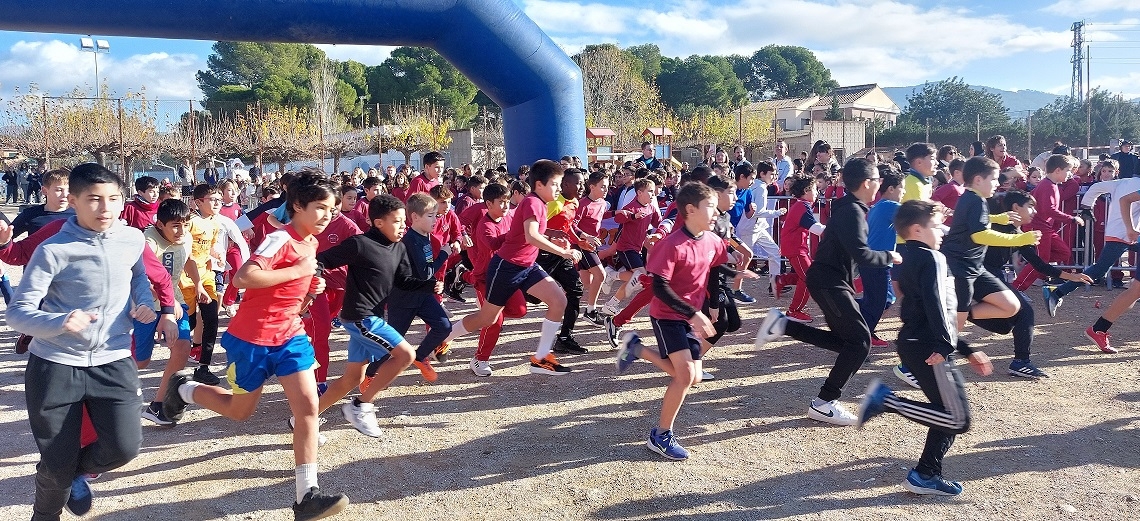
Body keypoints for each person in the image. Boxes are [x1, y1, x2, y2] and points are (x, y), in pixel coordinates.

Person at [162, 173, 350, 519]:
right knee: (240, 411)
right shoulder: (281, 239)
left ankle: (306, 495)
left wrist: (309, 294)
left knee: (309, 407)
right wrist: (297, 273)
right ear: (297, 206)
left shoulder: (310, 245)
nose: (328, 215)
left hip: (290, 336)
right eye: (320, 208)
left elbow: (292, 300)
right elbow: (244, 277)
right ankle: (185, 389)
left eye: (332, 209)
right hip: (251, 339)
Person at [9, 163, 158, 519]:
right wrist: (59, 321)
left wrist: (146, 302)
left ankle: (70, 471)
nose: (105, 209)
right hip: (55, 365)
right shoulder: (53, 250)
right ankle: (45, 513)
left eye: (113, 199)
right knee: (56, 465)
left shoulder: (132, 239)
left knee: (125, 447)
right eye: (93, 200)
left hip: (113, 357)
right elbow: (18, 313)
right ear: (73, 201)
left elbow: (138, 274)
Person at [857, 199, 993, 497]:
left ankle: (926, 474)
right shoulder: (932, 258)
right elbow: (935, 304)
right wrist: (946, 345)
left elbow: (932, 307)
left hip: (920, 342)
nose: (942, 230)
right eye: (936, 225)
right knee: (958, 419)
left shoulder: (911, 256)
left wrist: (966, 348)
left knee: (945, 412)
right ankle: (887, 401)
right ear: (917, 229)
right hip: (929, 346)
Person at [756, 159, 900, 426]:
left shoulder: (851, 207)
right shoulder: (852, 212)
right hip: (829, 283)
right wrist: (889, 256)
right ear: (867, 183)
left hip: (832, 281)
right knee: (860, 343)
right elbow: (863, 255)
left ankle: (781, 325)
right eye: (878, 179)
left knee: (849, 343)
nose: (881, 184)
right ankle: (824, 402)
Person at [895, 157, 1036, 386]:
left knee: (1011, 305)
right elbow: (979, 235)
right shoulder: (973, 199)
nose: (997, 183)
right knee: (954, 327)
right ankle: (908, 366)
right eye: (993, 179)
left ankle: (954, 315)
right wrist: (1019, 238)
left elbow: (972, 222)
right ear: (979, 180)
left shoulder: (974, 199)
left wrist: (997, 218)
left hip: (975, 268)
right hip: (960, 268)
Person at [614, 182, 726, 460]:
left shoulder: (712, 240)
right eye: (710, 206)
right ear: (690, 209)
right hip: (667, 315)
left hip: (690, 317)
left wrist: (713, 302)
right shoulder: (672, 244)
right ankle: (661, 435)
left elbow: (715, 269)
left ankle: (635, 348)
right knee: (685, 375)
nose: (716, 212)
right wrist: (693, 313)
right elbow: (660, 287)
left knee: (693, 377)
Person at [440, 160, 582, 375]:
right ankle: (444, 338)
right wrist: (562, 251)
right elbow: (531, 236)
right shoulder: (533, 203)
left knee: (559, 300)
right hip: (506, 267)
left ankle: (541, 358)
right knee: (487, 318)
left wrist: (555, 238)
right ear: (540, 185)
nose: (559, 188)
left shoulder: (540, 204)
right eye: (555, 184)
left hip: (527, 265)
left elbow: (529, 234)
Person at [981, 190, 1091, 378]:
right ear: (1016, 208)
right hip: (978, 274)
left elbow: (1039, 264)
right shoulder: (994, 227)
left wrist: (1070, 277)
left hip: (992, 274)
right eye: (1030, 206)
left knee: (1004, 325)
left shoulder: (1018, 233)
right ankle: (1021, 362)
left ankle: (964, 314)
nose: (1034, 211)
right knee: (1025, 311)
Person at [1046, 166, 1140, 319]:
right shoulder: (1131, 185)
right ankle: (1057, 292)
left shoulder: (1123, 182)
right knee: (1099, 270)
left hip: (1122, 232)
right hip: (1123, 233)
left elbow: (1096, 186)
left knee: (1099, 269)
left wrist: (1087, 206)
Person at [139, 199, 201, 426]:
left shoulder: (186, 237)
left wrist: (199, 284)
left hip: (175, 304)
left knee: (183, 347)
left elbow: (189, 261)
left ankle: (158, 405)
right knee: (140, 362)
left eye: (185, 224)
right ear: (159, 224)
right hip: (145, 307)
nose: (182, 230)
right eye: (175, 225)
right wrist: (166, 301)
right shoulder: (147, 241)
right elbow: (142, 278)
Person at [386, 193, 452, 381]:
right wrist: (444, 254)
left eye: (436, 215)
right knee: (391, 342)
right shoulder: (412, 240)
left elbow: (420, 270)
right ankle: (370, 374)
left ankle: (421, 356)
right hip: (403, 299)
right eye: (430, 216)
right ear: (414, 217)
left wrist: (432, 285)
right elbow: (425, 271)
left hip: (421, 295)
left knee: (443, 326)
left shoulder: (425, 236)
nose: (435, 219)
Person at [1011, 154, 1082, 291]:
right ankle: (1017, 289)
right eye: (1068, 170)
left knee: (1063, 253)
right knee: (1041, 260)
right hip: (1037, 227)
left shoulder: (1052, 185)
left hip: (1044, 227)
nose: (1070, 174)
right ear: (1057, 170)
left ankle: (1027, 260)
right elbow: (1049, 210)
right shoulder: (1047, 186)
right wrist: (1071, 218)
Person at [602, 177, 662, 315]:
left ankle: (611, 301)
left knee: (637, 279)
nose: (654, 194)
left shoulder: (651, 207)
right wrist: (633, 216)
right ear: (639, 193)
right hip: (626, 248)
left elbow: (658, 223)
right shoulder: (631, 207)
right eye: (650, 191)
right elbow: (618, 218)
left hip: (637, 249)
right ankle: (613, 276)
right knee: (641, 276)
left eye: (654, 191)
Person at [860, 169, 904, 348]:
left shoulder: (880, 205)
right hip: (876, 262)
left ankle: (861, 327)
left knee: (884, 300)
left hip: (876, 261)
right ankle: (862, 338)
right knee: (877, 303)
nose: (904, 192)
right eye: (902, 188)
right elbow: (913, 215)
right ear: (891, 189)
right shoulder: (889, 206)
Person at [777, 175, 826, 323]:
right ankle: (794, 310)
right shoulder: (802, 206)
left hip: (796, 248)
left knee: (804, 276)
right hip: (796, 248)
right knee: (809, 278)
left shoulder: (801, 205)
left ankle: (780, 280)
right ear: (806, 190)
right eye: (814, 189)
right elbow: (815, 228)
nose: (817, 193)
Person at [577, 172, 611, 326]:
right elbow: (572, 224)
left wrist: (619, 213)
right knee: (601, 275)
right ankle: (590, 312)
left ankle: (559, 305)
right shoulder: (582, 204)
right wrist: (585, 237)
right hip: (582, 246)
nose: (606, 189)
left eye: (607, 186)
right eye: (603, 186)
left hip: (591, 246)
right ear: (592, 187)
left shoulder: (603, 202)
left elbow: (602, 215)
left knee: (583, 283)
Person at [11, 168, 74, 239]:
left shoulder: (79, 215)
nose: (65, 195)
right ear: (44, 191)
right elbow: (5, 239)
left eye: (69, 190)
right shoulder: (30, 214)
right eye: (59, 190)